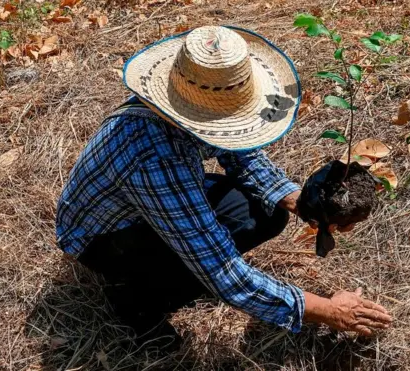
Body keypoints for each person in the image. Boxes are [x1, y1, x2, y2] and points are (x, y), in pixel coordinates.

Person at [55, 26, 392, 344]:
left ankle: (163, 273)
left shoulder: (189, 102)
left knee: (266, 211)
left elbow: (238, 151)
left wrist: (294, 199)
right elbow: (224, 273)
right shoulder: (158, 159)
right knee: (199, 266)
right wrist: (327, 310)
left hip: (143, 200)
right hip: (103, 237)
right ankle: (136, 300)